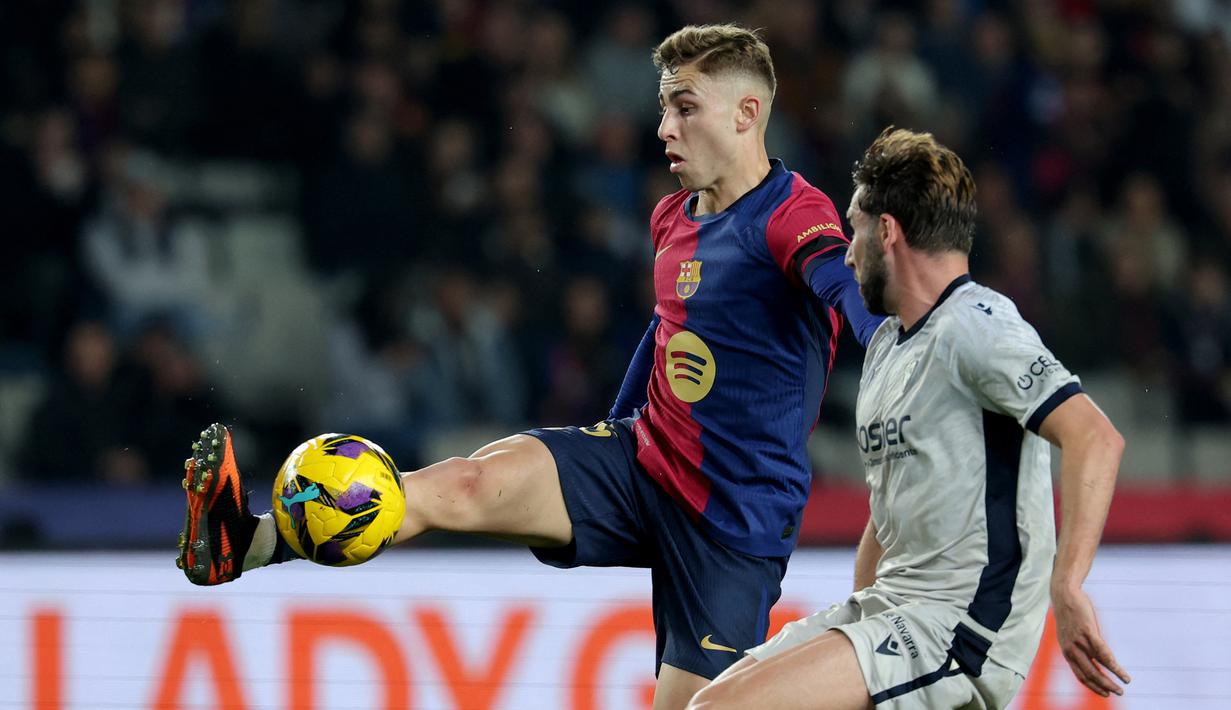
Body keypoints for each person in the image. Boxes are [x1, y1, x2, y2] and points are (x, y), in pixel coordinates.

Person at [176, 25, 882, 709]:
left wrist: (891, 343)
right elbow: (668, 329)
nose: (664, 127)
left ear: (746, 113)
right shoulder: (673, 215)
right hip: (641, 464)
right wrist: (619, 425)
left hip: (732, 523)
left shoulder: (794, 214)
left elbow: (843, 286)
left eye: (685, 107)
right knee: (463, 482)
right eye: (664, 106)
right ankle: (245, 543)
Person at [687, 128, 1131, 710]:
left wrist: (1068, 587)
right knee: (704, 704)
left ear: (888, 231)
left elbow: (1095, 436)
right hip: (892, 613)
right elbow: (887, 508)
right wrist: (853, 634)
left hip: (958, 628)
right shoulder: (888, 345)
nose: (847, 251)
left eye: (855, 229)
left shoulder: (978, 324)